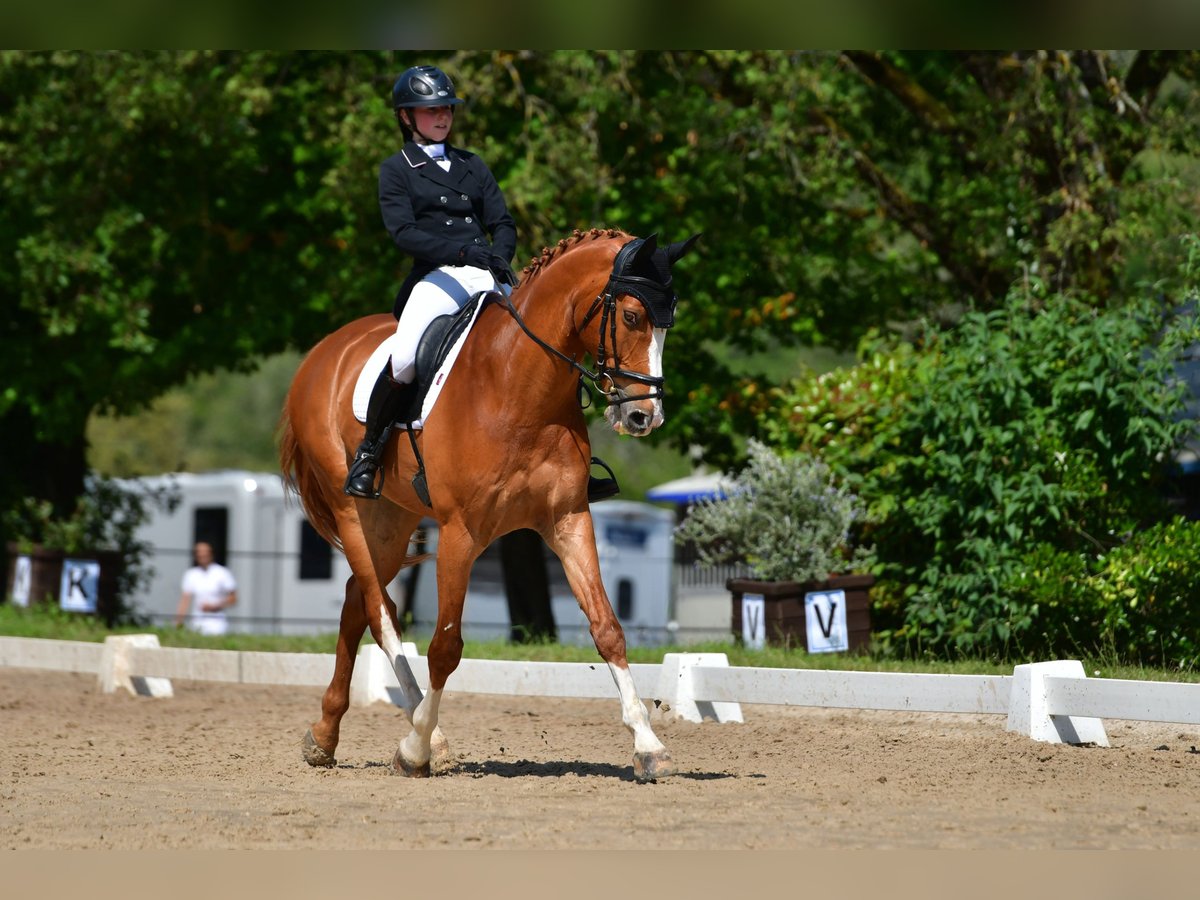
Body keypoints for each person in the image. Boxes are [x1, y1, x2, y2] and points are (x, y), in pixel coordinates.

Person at [343, 64, 619, 504]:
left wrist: (499, 256)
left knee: (545, 344)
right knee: (406, 357)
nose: (442, 117)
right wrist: (461, 253)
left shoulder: (472, 164)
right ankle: (370, 453)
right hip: (436, 277)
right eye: (431, 110)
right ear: (406, 117)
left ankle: (574, 463)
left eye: (446, 109)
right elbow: (404, 232)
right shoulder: (397, 169)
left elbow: (501, 221)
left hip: (487, 274)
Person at [174, 541, 237, 636]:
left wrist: (215, 606)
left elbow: (233, 598)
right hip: (197, 623)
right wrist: (179, 621)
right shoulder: (191, 574)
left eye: (205, 554)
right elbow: (185, 599)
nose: (202, 557)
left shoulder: (222, 572)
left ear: (211, 554)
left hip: (217, 624)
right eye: (199, 554)